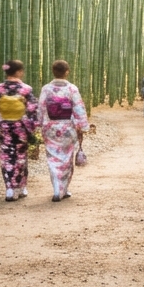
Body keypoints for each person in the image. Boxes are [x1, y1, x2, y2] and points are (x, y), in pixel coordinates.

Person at [36, 60, 90, 202]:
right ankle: (62, 189)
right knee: (66, 159)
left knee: (53, 159)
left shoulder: (46, 89)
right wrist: (83, 126)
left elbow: (41, 108)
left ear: (53, 72)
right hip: (67, 128)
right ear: (67, 72)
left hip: (50, 128)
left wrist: (38, 123)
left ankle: (57, 188)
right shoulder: (72, 89)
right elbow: (78, 108)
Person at [0, 60, 37, 202]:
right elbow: (32, 109)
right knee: (20, 156)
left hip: (4, 127)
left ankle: (10, 189)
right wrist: (33, 127)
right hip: (20, 127)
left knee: (6, 157)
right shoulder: (26, 89)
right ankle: (21, 187)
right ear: (19, 72)